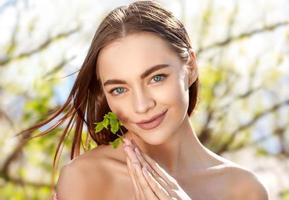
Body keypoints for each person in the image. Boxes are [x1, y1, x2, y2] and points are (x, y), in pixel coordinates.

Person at [19, 1, 269, 199]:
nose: (141, 106)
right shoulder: (88, 177)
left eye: (156, 78)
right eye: (119, 89)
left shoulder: (244, 189)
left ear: (190, 67)